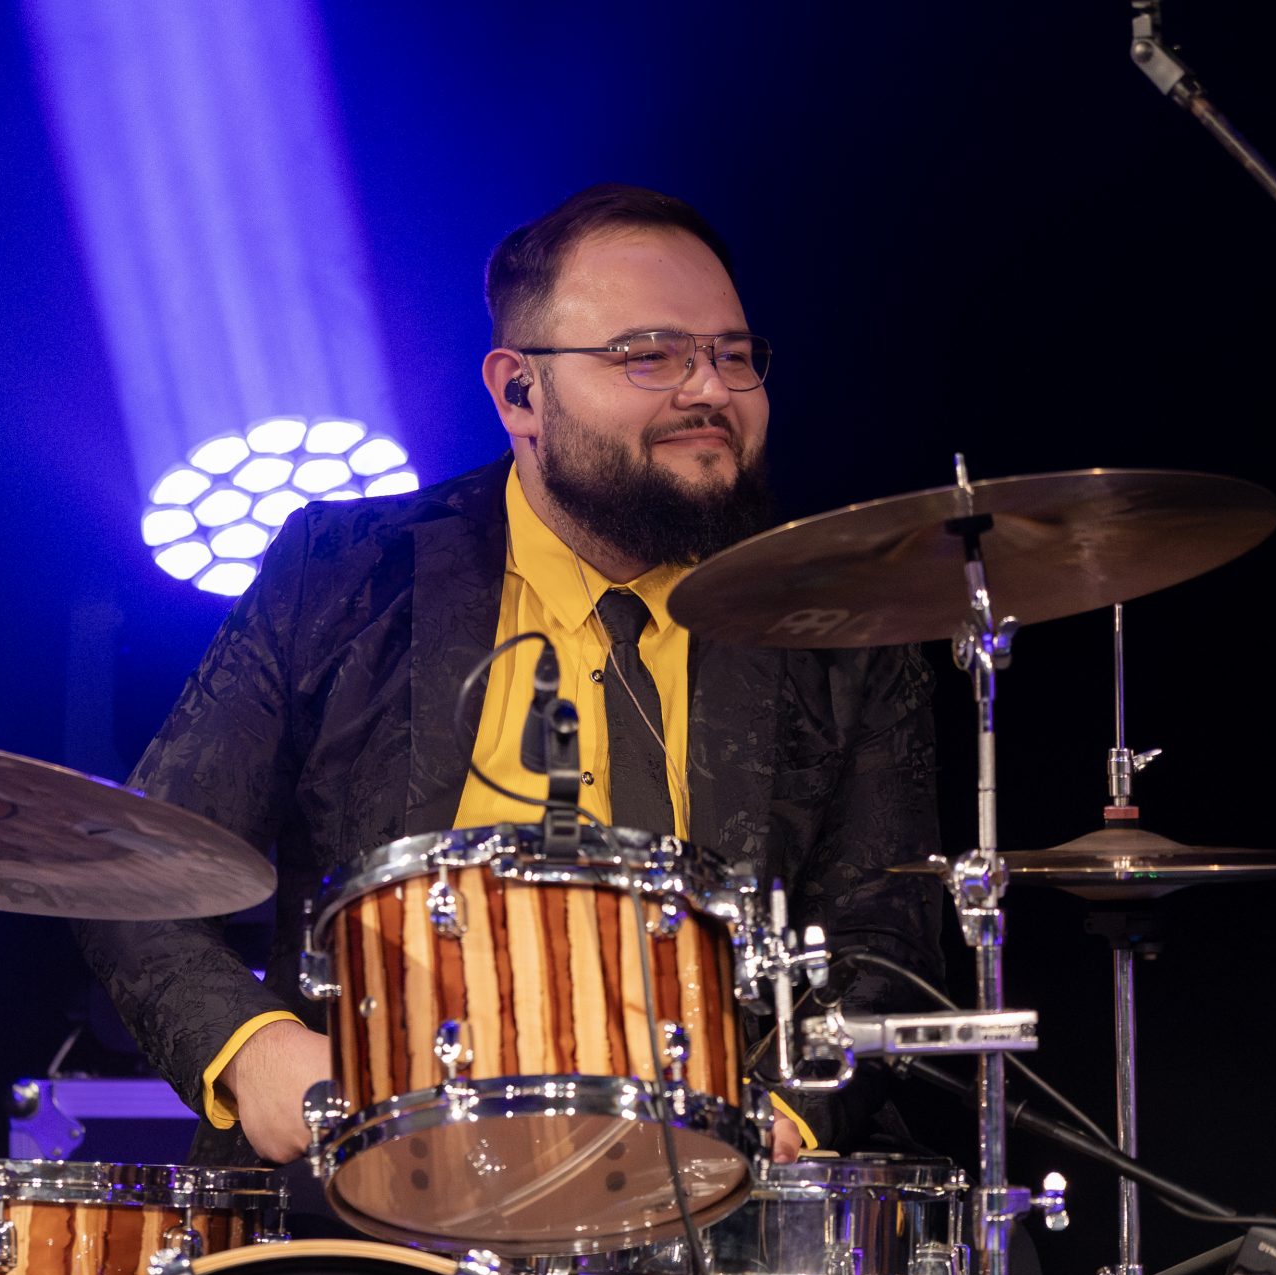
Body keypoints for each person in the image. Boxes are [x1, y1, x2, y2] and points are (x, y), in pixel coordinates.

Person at [74, 183, 945, 1174]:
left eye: (733, 355)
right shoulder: (344, 574)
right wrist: (257, 1047)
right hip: (374, 1184)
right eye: (650, 354)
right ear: (519, 391)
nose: (710, 389)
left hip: (726, 1195)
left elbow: (887, 932)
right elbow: (133, 868)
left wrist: (785, 1113)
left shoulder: (843, 616)